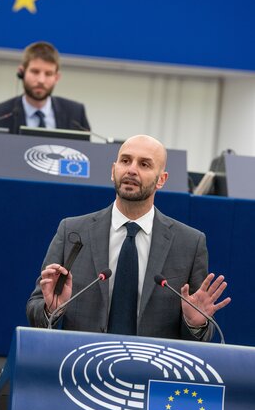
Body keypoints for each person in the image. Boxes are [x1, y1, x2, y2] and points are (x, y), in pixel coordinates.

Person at [26, 134, 231, 341]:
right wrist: (51, 308)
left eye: (144, 164)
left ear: (161, 180)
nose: (132, 169)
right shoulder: (72, 230)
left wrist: (195, 323)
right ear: (113, 171)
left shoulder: (189, 243)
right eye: (125, 161)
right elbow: (36, 312)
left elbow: (200, 333)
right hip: (80, 365)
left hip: (152, 367)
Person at [0, 41, 90, 134]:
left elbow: (87, 153)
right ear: (22, 72)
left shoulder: (75, 114)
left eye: (48, 74)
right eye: (35, 72)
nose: (41, 80)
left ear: (57, 77)